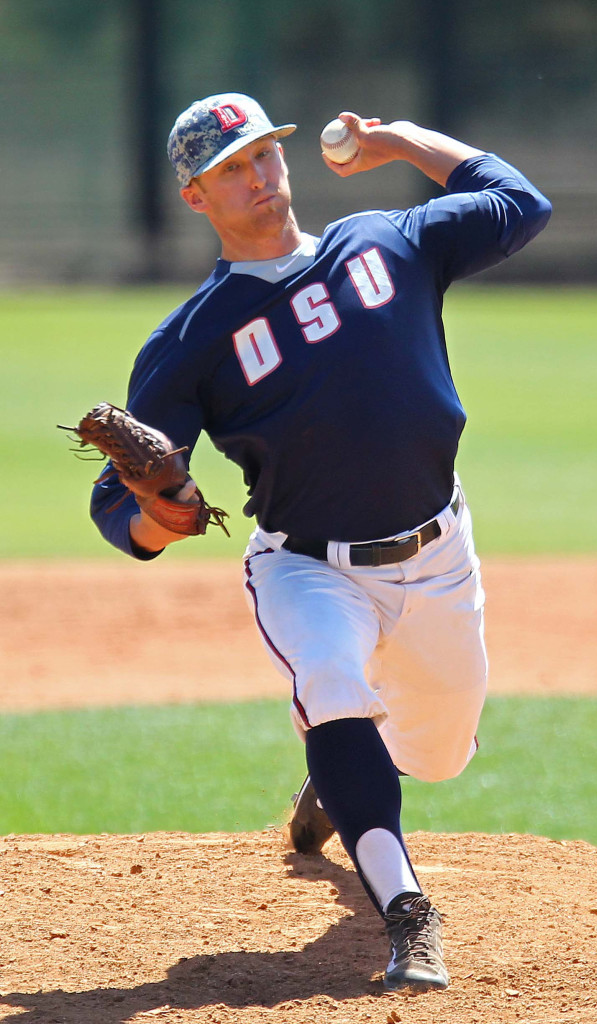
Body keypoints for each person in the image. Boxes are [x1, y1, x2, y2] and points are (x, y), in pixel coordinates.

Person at [91, 92, 551, 991]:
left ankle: (337, 784)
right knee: (333, 683)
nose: (258, 178)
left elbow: (517, 203)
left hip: (436, 551)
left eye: (264, 155)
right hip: (306, 563)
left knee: (439, 752)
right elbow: (124, 509)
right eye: (231, 169)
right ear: (196, 197)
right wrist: (165, 516)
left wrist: (396, 141)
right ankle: (409, 915)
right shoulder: (188, 342)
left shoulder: (386, 238)